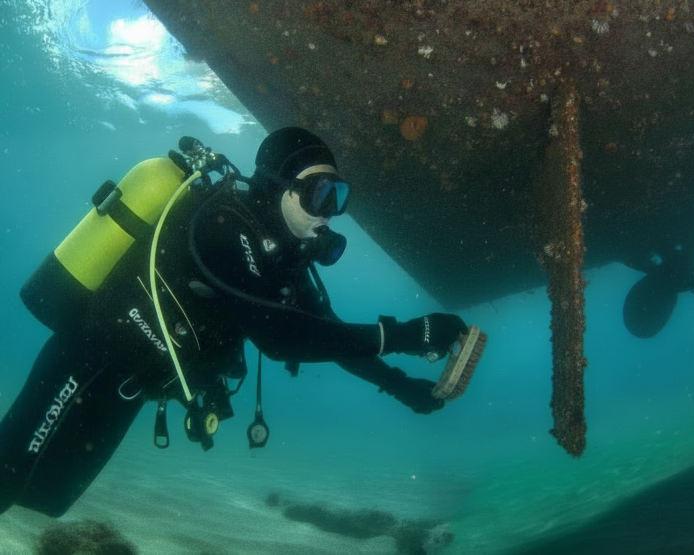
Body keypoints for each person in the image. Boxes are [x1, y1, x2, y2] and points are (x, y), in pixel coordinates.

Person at [0, 128, 468, 518]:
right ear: (278, 187)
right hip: (88, 357)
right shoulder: (225, 225)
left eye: (338, 196)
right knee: (6, 476)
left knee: (47, 498)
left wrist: (401, 385)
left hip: (135, 383)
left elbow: (328, 334)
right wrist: (406, 335)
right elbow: (283, 339)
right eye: (320, 194)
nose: (329, 213)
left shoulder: (286, 259)